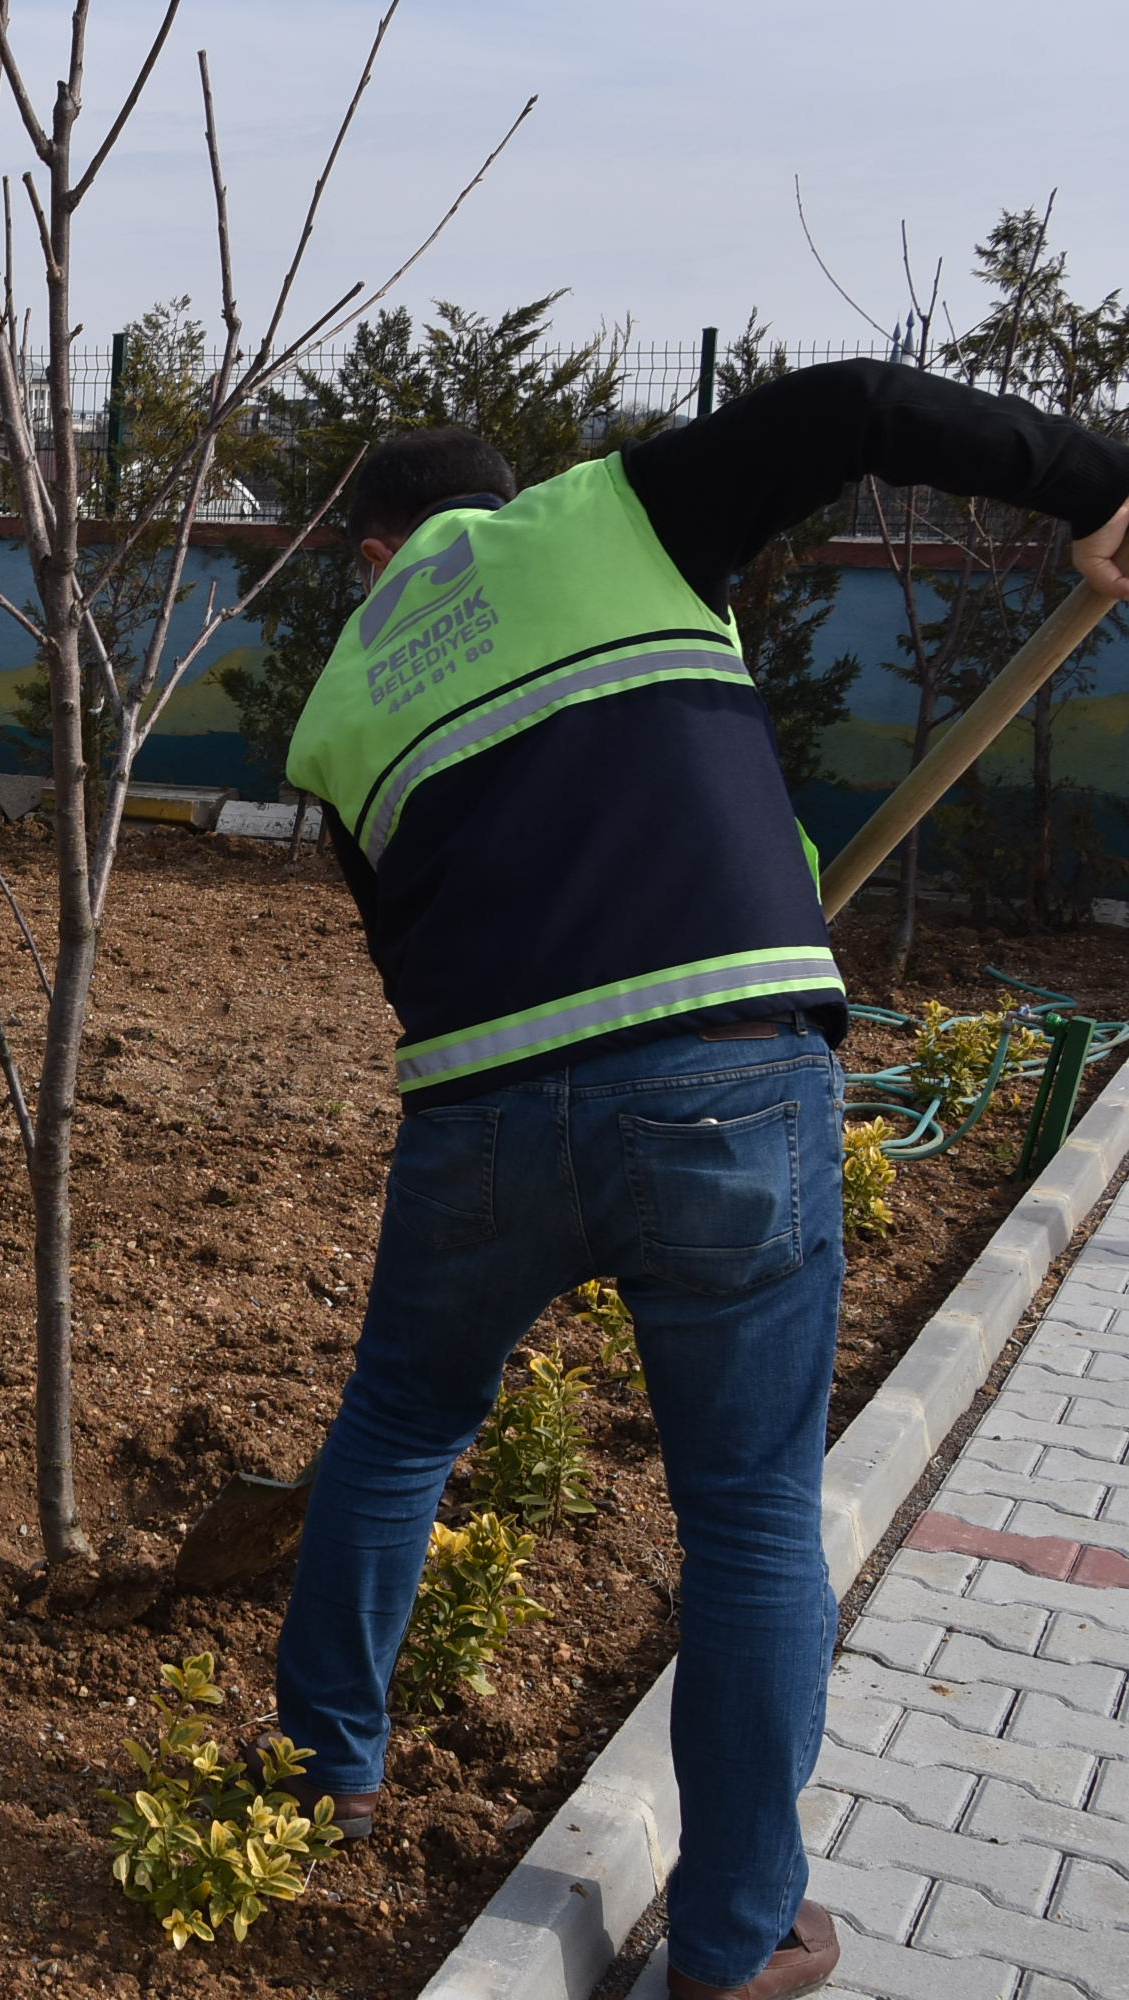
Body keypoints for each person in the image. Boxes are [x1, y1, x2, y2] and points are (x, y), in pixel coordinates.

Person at [271, 359, 1129, 2000]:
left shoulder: (336, 705)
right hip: (726, 1079)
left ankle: (329, 1769)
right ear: (497, 496)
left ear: (372, 556)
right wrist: (1096, 487)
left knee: (395, 1426)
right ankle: (732, 1945)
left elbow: (414, 954)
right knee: (743, 1513)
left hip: (483, 1109)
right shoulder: (613, 516)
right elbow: (862, 403)